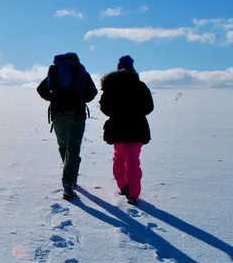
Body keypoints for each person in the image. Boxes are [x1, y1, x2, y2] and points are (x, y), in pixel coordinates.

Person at [37, 52, 97, 200]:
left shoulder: (55, 71)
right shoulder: (80, 72)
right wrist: (81, 98)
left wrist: (54, 98)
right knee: (73, 149)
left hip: (58, 115)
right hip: (77, 115)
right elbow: (92, 92)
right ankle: (68, 183)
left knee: (63, 147)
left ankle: (70, 173)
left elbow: (41, 89)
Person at [99, 55, 154, 205]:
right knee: (133, 160)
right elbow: (149, 107)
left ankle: (123, 186)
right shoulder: (139, 85)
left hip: (117, 128)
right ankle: (133, 194)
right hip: (137, 127)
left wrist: (118, 113)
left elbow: (105, 108)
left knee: (119, 157)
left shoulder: (111, 85)